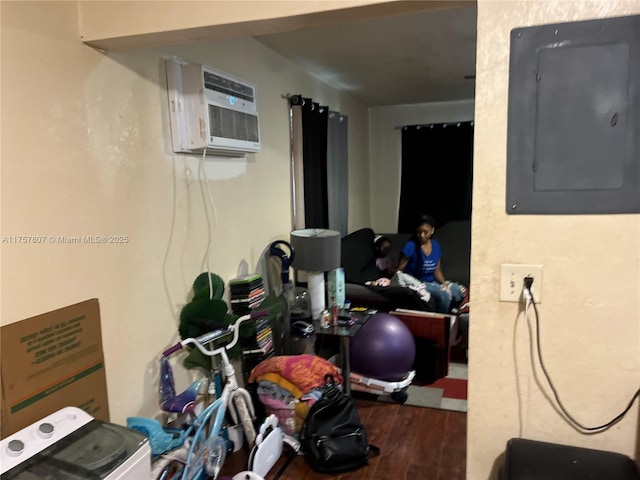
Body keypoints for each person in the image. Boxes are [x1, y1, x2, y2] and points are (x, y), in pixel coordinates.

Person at [397, 215, 466, 313]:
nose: (422, 235)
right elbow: (400, 270)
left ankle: (450, 313)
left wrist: (444, 284)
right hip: (417, 283)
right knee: (444, 295)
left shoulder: (436, 245)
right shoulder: (410, 246)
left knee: (458, 291)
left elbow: (437, 271)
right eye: (419, 232)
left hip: (432, 282)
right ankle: (441, 320)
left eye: (425, 232)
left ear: (432, 231)